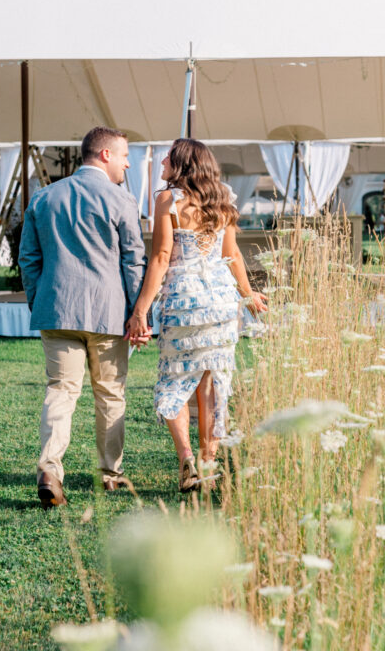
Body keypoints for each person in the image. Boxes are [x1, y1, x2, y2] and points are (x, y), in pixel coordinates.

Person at [125, 138, 267, 492]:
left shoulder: (168, 200)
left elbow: (160, 258)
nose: (161, 167)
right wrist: (248, 296)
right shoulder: (223, 200)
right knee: (212, 382)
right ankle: (209, 465)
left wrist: (141, 309)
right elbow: (232, 254)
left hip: (184, 300)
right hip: (220, 303)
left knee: (173, 380)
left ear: (182, 164)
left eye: (167, 160)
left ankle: (187, 459)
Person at [19, 126, 147, 508]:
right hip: (109, 314)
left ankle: (49, 469)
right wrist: (138, 313)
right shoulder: (121, 200)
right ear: (105, 154)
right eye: (124, 155)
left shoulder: (43, 198)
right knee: (110, 394)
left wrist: (39, 300)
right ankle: (110, 474)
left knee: (60, 391)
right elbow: (134, 262)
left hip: (56, 309)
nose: (128, 163)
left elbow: (28, 258)